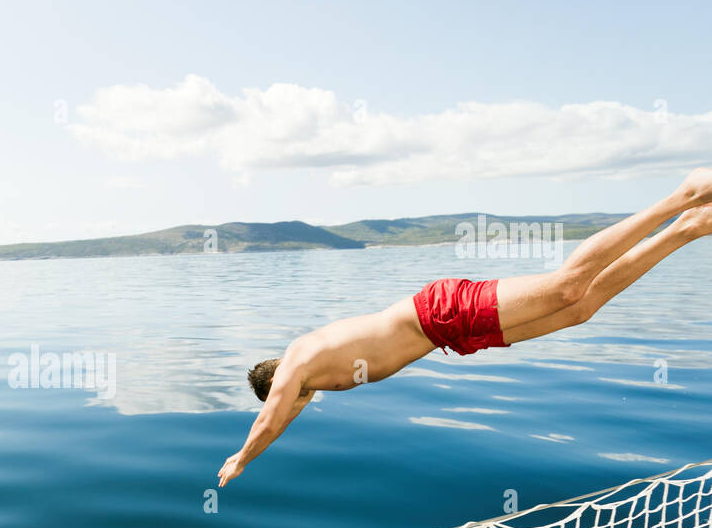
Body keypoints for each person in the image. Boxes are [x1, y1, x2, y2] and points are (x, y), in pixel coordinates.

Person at [217, 169, 712, 488]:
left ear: (277, 380)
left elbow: (270, 421)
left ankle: (681, 197)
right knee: (577, 311)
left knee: (566, 287)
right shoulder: (307, 375)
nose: (300, 401)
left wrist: (241, 458)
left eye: (290, 395)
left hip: (439, 313)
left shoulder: (296, 362)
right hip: (449, 335)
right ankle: (687, 228)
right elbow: (284, 416)